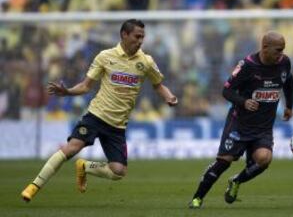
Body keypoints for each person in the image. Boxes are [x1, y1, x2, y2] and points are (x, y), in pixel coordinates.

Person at [21, 19, 178, 202]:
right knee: (71, 148)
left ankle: (85, 167)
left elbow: (158, 85)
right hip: (96, 116)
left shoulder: (146, 62)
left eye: (142, 37)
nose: (140, 40)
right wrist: (68, 91)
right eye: (137, 36)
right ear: (124, 35)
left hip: (118, 126)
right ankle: (34, 186)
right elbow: (86, 86)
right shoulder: (105, 56)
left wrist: (169, 96)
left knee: (119, 171)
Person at [189, 31, 293, 208]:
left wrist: (289, 105)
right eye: (278, 50)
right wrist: (244, 102)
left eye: (283, 50)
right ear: (265, 47)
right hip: (239, 124)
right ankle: (197, 198)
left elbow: (288, 80)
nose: (281, 54)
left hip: (263, 127)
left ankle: (236, 181)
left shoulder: (284, 62)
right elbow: (226, 91)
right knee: (224, 161)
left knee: (264, 159)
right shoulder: (247, 65)